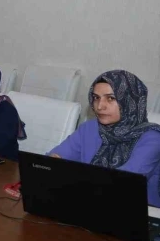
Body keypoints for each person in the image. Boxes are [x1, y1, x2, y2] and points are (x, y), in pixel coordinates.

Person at [49, 70, 160, 207]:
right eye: (96, 98)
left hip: (140, 210)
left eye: (111, 98)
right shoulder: (90, 128)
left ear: (129, 101)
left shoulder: (153, 138)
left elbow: (123, 182)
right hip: (87, 202)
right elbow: (53, 160)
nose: (100, 106)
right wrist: (52, 164)